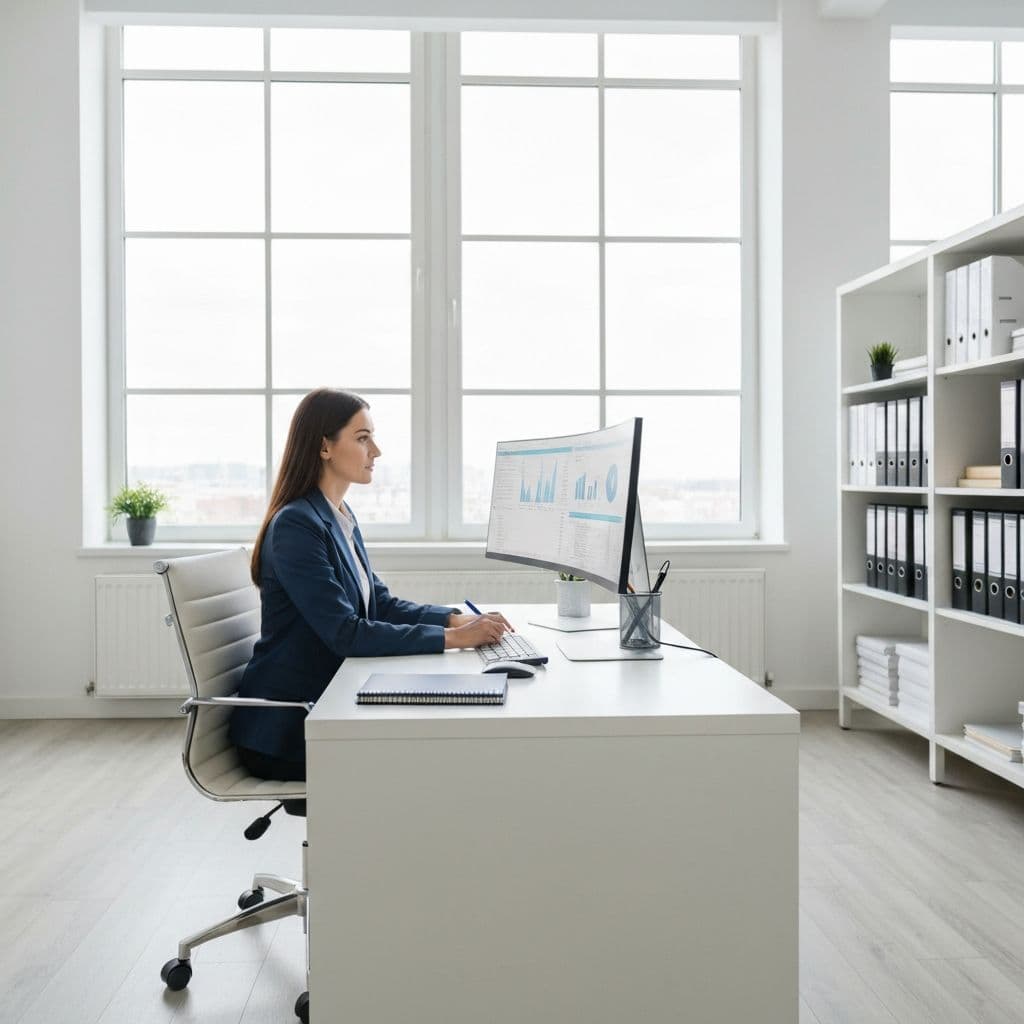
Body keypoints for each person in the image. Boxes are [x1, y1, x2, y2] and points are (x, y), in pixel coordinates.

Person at [230, 388, 510, 781]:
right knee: (437, 756)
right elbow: (346, 633)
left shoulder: (338, 515)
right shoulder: (296, 525)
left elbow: (379, 604)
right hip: (289, 729)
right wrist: (454, 640)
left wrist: (453, 619)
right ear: (325, 447)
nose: (375, 451)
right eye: (363, 438)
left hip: (330, 702)